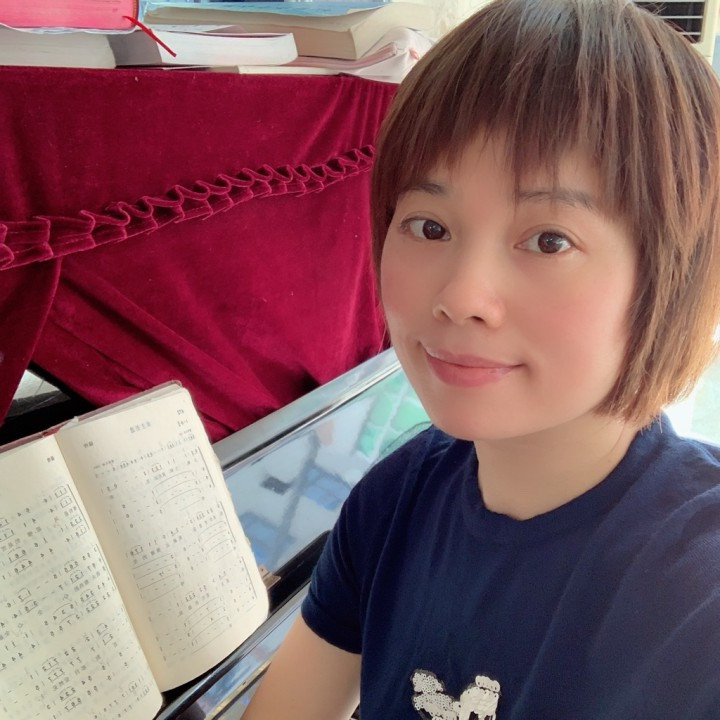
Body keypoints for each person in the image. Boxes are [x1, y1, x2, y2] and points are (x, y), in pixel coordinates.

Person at [243, 0, 720, 717]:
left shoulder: (697, 586)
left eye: (549, 240)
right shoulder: (393, 502)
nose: (461, 297)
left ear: (670, 275)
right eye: (429, 226)